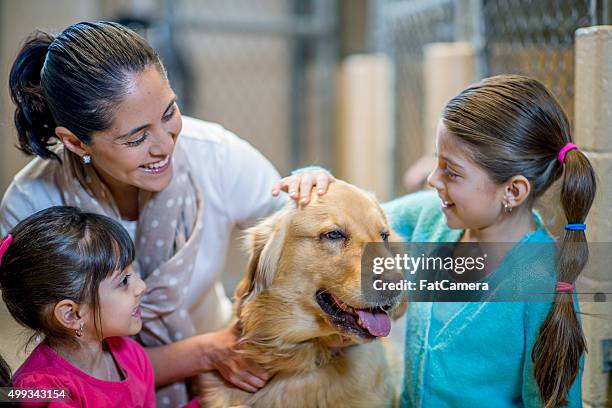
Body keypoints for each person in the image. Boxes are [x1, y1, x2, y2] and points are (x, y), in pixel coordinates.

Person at [0, 21, 332, 407]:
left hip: (228, 359)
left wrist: (323, 191)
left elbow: (320, 234)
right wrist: (205, 353)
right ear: (75, 141)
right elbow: (60, 382)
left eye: (170, 111)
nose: (165, 144)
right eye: (136, 137)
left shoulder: (216, 154)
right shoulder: (33, 204)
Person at [383, 75, 594, 407]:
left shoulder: (542, 283)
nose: (431, 179)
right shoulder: (429, 219)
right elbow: (356, 223)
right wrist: (319, 183)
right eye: (436, 161)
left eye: (450, 171)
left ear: (512, 191)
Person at [0, 206, 160, 407]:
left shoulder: (131, 355)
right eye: (124, 281)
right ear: (72, 315)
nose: (141, 287)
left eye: (132, 271)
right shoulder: (40, 391)